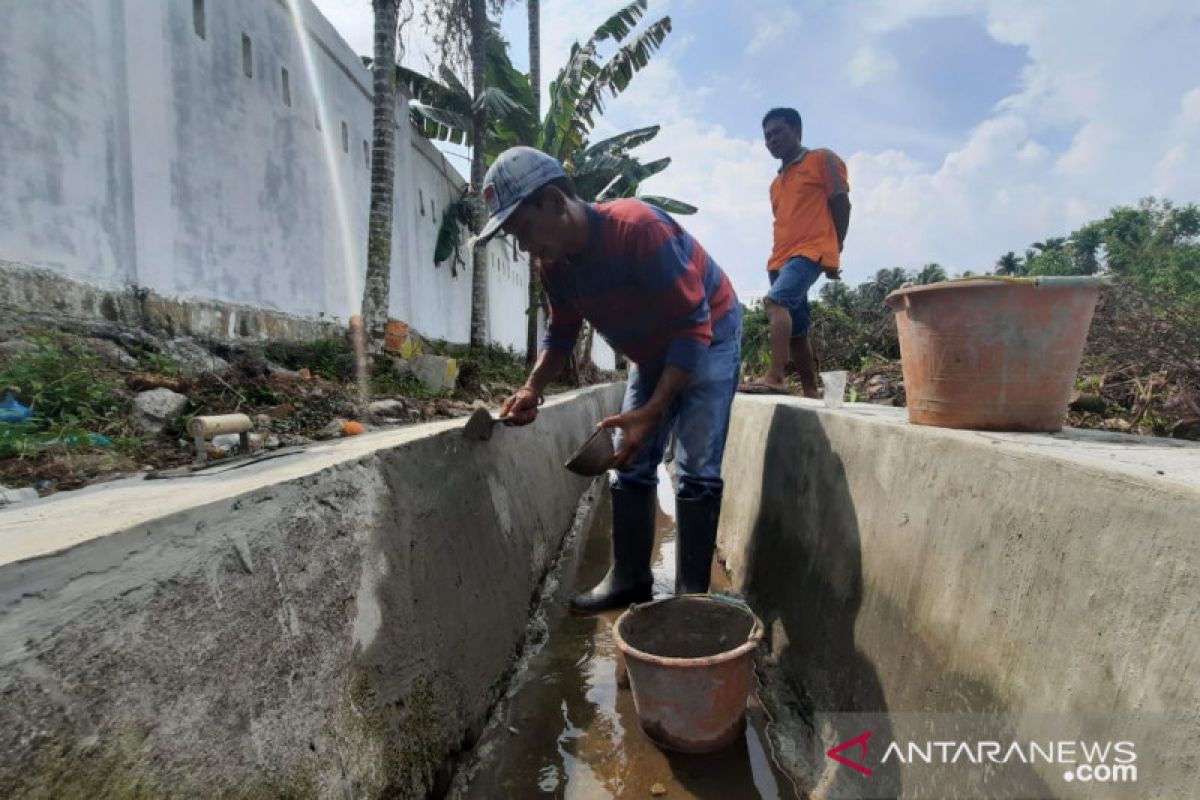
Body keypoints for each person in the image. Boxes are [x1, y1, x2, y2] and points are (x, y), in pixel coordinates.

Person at [475, 146, 743, 614]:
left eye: (523, 229)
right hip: (651, 349)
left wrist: (653, 410)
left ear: (556, 203)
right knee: (629, 458)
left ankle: (691, 600)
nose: (523, 246)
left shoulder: (639, 230)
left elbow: (691, 326)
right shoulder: (554, 264)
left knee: (695, 466)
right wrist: (532, 389)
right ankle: (630, 580)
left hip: (709, 332)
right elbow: (561, 332)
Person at [750, 107, 850, 398]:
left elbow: (841, 203)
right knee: (797, 332)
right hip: (780, 259)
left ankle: (775, 376)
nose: (771, 141)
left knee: (775, 302)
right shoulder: (775, 184)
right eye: (767, 136)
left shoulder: (822, 159)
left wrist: (836, 248)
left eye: (778, 132)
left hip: (811, 251)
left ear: (797, 130)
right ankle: (810, 391)